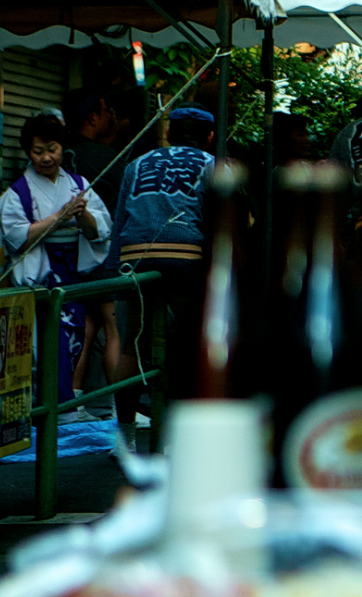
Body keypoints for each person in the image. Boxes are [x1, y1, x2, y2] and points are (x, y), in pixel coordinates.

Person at [107, 105, 217, 450]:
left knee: (130, 347)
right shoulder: (212, 165)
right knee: (186, 344)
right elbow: (215, 224)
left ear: (169, 133)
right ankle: (174, 437)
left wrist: (114, 272)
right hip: (186, 255)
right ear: (209, 137)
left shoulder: (137, 164)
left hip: (134, 257)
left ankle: (123, 438)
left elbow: (119, 219)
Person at [1, 115, 112, 419]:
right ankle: (49, 410)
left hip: (71, 270)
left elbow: (99, 230)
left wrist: (83, 216)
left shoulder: (78, 184)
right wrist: (58, 219)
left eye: (52, 149)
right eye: (38, 151)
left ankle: (63, 406)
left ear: (63, 148)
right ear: (28, 152)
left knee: (73, 336)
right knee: (43, 346)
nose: (46, 157)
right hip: (39, 273)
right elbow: (17, 238)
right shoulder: (18, 192)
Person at [65, 95, 122, 212]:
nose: (110, 116)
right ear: (93, 118)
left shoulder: (58, 151)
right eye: (107, 111)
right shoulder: (106, 156)